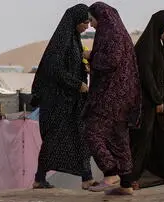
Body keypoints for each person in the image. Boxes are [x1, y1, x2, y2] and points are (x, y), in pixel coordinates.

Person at [31, 4, 97, 190]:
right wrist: (77, 84)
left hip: (70, 101)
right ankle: (39, 178)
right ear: (75, 21)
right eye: (85, 22)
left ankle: (87, 177)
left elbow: (71, 65)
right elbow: (54, 69)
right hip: (56, 102)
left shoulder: (73, 39)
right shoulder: (61, 42)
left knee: (80, 136)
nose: (87, 26)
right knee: (54, 140)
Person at [83, 2, 141, 196]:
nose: (90, 25)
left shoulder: (111, 33)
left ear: (102, 17)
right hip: (123, 96)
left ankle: (110, 173)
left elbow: (111, 60)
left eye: (92, 20)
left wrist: (90, 56)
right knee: (119, 137)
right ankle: (126, 183)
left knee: (91, 130)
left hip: (111, 94)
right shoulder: (119, 31)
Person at [130, 11, 164, 190]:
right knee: (142, 140)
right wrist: (157, 99)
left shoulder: (156, 45)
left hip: (155, 101)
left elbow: (161, 69)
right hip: (145, 102)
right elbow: (146, 76)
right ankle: (132, 179)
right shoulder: (144, 47)